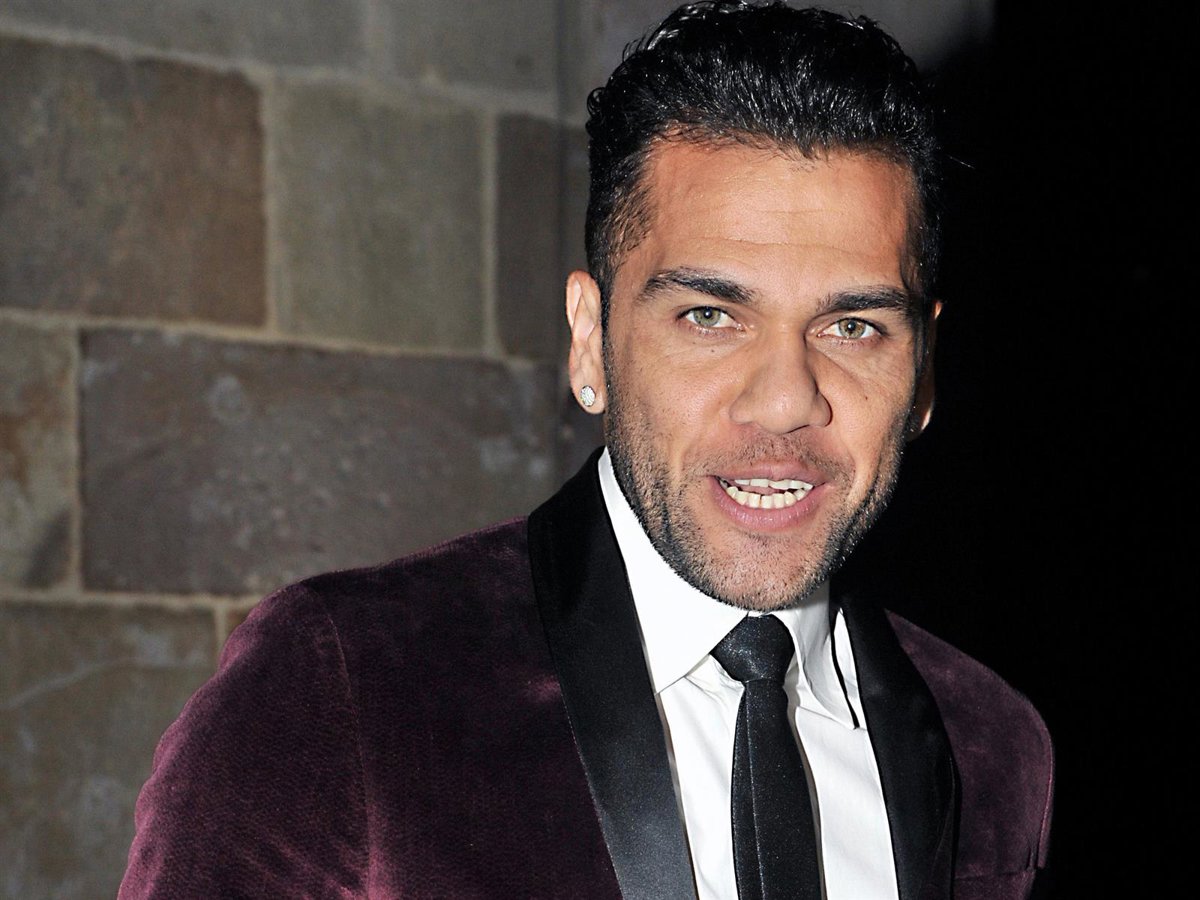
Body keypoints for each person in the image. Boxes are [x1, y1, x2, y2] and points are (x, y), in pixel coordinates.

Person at [119, 3, 1053, 898]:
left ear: (922, 372)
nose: (785, 400)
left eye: (853, 327)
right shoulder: (339, 691)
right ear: (589, 342)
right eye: (709, 315)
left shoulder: (991, 746)